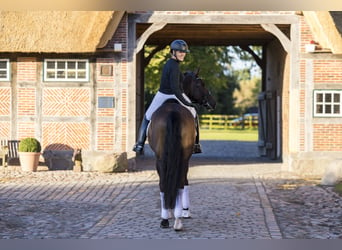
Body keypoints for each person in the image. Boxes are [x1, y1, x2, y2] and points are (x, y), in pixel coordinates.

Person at [133, 39, 202, 154]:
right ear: (173, 52)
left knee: (147, 116)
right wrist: (187, 103)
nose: (182, 54)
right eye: (180, 52)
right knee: (194, 113)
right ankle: (196, 144)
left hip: (163, 94)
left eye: (184, 52)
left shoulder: (172, 64)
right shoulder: (174, 66)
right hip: (169, 94)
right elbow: (175, 89)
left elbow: (180, 81)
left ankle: (139, 144)